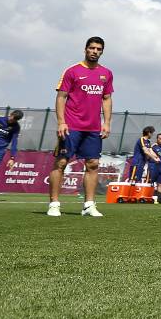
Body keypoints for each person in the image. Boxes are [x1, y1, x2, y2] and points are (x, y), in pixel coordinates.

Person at [45, 37, 112, 218]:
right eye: (91, 48)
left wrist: (106, 123)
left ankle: (88, 205)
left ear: (102, 51)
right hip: (71, 126)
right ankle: (54, 204)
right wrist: (61, 122)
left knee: (93, 164)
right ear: (85, 49)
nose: (94, 51)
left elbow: (106, 99)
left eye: (98, 49)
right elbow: (61, 97)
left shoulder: (106, 73)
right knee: (61, 162)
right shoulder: (72, 71)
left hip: (93, 128)